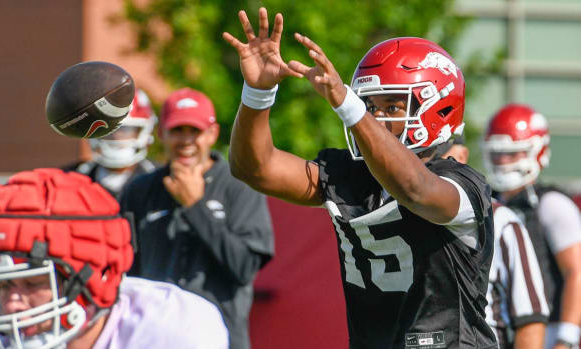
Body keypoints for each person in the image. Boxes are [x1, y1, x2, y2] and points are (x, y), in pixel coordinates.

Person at [223, 7, 496, 349]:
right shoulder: (351, 176)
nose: (376, 118)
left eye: (392, 107)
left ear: (438, 108)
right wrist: (257, 94)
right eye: (370, 107)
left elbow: (414, 189)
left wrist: (349, 106)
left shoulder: (464, 186)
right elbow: (255, 169)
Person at [0, 168, 229, 349]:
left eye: (32, 283)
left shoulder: (172, 330)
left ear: (96, 278)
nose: (11, 306)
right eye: (2, 285)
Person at [119, 87, 275, 349]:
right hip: (152, 337)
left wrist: (195, 206)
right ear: (161, 134)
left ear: (212, 134)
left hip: (220, 338)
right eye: (177, 130)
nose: (186, 141)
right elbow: (126, 272)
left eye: (195, 131)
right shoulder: (139, 190)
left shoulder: (240, 185)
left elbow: (245, 268)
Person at [482, 103, 581, 349]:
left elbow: (576, 272)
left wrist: (566, 338)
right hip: (506, 327)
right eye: (497, 153)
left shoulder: (551, 203)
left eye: (512, 153)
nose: (503, 161)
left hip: (548, 329)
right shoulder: (488, 202)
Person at [441, 137, 550, 348]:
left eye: (437, 153)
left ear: (461, 156)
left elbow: (530, 319)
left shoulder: (501, 220)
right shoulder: (392, 216)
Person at [63, 88, 158, 199]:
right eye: (108, 129)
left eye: (125, 129)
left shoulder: (161, 180)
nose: (117, 135)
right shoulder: (70, 179)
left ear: (142, 132)